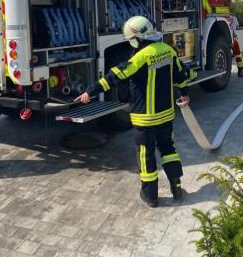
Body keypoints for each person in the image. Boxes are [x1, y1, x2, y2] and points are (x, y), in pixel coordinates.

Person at [75, 16, 197, 207]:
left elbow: (114, 76)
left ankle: (150, 196)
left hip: (144, 118)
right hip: (166, 114)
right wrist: (185, 93)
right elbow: (181, 75)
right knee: (168, 149)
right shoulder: (169, 50)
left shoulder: (140, 57)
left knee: (146, 155)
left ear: (137, 38)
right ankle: (176, 187)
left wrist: (90, 92)